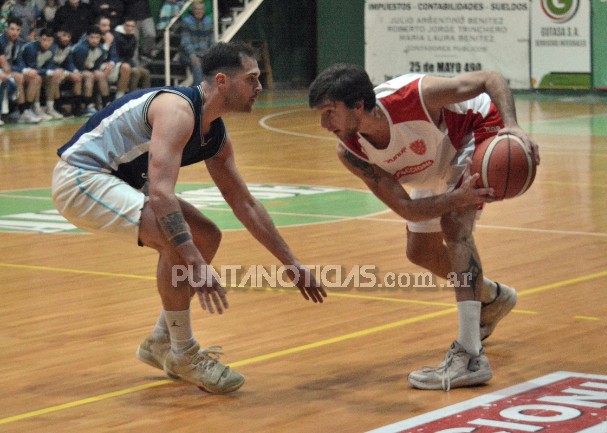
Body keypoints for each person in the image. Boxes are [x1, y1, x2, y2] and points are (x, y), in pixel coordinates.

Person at [52, 41, 327, 394]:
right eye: (253, 79)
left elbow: (246, 204)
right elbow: (161, 194)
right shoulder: (177, 110)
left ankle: (160, 341)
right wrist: (195, 263)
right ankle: (183, 352)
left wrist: (291, 261)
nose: (261, 88)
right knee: (182, 245)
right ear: (223, 81)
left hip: (116, 182)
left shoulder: (215, 136)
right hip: (81, 178)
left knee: (207, 235)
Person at [308, 64, 540, 391]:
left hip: (472, 133)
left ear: (358, 106)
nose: (323, 123)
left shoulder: (416, 96)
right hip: (433, 164)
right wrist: (453, 196)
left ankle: (471, 357)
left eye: (330, 112)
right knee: (420, 252)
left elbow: (491, 78)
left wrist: (513, 126)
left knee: (455, 226)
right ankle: (490, 297)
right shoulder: (352, 152)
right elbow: (407, 209)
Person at [0, 16, 42, 123]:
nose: (15, 32)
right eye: (12, 29)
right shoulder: (1, 40)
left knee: (35, 78)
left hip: (10, 70)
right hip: (2, 70)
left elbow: (19, 61)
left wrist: (26, 70)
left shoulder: (18, 42)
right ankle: (22, 110)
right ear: (6, 29)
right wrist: (21, 71)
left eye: (18, 30)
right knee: (19, 77)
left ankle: (26, 110)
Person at [18, 26, 65, 119]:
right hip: (24, 71)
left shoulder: (53, 48)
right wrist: (49, 71)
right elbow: (32, 68)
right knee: (37, 78)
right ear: (39, 38)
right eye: (44, 39)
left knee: (54, 76)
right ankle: (36, 108)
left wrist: (56, 71)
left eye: (50, 40)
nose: (46, 43)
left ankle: (50, 108)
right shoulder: (30, 48)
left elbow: (50, 66)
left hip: (38, 72)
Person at [71, 24, 110, 115]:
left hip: (89, 69)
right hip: (76, 70)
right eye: (92, 37)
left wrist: (102, 67)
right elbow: (78, 65)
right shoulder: (81, 49)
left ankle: (106, 103)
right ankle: (88, 105)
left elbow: (96, 65)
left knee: (101, 75)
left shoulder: (101, 49)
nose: (94, 40)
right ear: (87, 37)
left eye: (97, 37)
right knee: (90, 75)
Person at [179, 1, 213, 86]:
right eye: (196, 9)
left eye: (201, 9)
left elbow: (211, 41)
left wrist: (210, 53)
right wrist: (192, 55)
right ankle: (198, 93)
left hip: (203, 54)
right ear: (193, 10)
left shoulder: (208, 22)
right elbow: (185, 42)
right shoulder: (186, 22)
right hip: (187, 55)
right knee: (198, 65)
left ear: (204, 10)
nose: (199, 11)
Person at [51, 27, 83, 116]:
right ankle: (58, 106)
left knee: (77, 77)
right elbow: (49, 63)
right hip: (51, 71)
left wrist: (75, 71)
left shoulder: (69, 47)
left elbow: (69, 63)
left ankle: (77, 107)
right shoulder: (51, 46)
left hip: (62, 71)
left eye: (68, 36)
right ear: (58, 35)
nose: (66, 39)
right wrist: (64, 72)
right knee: (56, 76)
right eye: (64, 36)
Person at [113, 16, 149, 92]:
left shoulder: (132, 38)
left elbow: (130, 54)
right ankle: (132, 96)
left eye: (132, 26)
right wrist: (130, 38)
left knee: (146, 73)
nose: (130, 28)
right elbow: (122, 51)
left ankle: (146, 96)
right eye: (128, 26)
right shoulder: (117, 35)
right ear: (123, 25)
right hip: (118, 62)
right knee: (136, 72)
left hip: (128, 61)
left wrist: (130, 37)